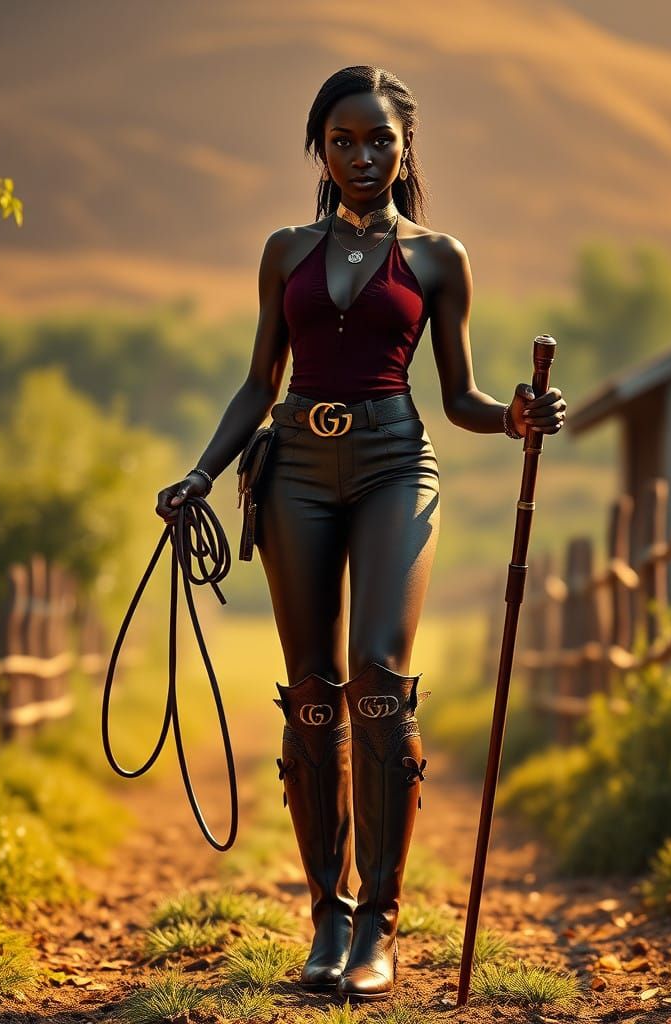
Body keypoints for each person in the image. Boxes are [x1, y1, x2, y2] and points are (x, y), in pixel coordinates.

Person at [155, 65, 567, 1002]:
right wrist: (201, 472)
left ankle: (380, 922)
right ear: (320, 150)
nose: (363, 156)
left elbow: (457, 395)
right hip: (294, 466)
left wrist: (514, 416)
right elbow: (260, 381)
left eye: (379, 140)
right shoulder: (284, 251)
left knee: (381, 682)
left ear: (405, 146)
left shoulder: (437, 258)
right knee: (312, 693)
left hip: (394, 465)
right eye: (343, 141)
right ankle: (328, 918)